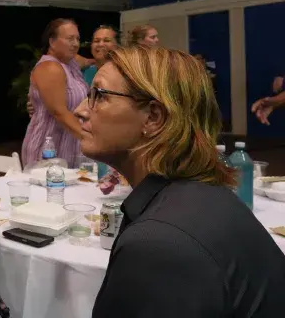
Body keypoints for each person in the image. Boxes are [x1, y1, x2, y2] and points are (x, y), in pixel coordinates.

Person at [75, 46, 285, 317]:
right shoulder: (207, 198)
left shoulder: (159, 245)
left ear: (153, 117)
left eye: (99, 96)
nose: (80, 110)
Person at [21, 19, 88, 168]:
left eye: (78, 39)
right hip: (48, 150)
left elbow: (91, 61)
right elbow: (59, 112)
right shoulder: (50, 67)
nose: (76, 44)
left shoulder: (71, 63)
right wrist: (91, 139)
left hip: (70, 146)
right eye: (70, 39)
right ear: (52, 42)